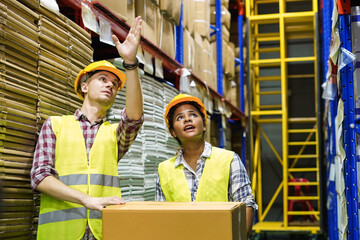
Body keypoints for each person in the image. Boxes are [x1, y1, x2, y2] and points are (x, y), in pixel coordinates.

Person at [30, 16, 143, 240]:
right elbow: (40, 176)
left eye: (114, 84)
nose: (110, 84)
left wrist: (130, 64)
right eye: (102, 79)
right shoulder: (55, 125)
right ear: (84, 86)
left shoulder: (113, 134)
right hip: (60, 234)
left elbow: (134, 117)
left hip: (103, 232)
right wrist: (86, 200)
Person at [156, 93, 257, 237]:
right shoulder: (164, 169)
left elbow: (246, 205)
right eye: (180, 118)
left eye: (193, 115)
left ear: (204, 125)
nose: (187, 119)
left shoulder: (229, 160)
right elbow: (161, 217)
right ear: (173, 132)